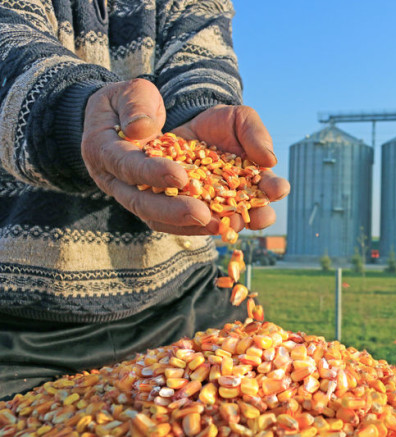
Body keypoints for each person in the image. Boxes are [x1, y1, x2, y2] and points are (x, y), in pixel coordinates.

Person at [0, 0, 289, 399]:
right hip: (20, 326)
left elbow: (200, 57)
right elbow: (8, 44)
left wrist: (201, 112)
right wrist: (79, 112)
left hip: (183, 301)